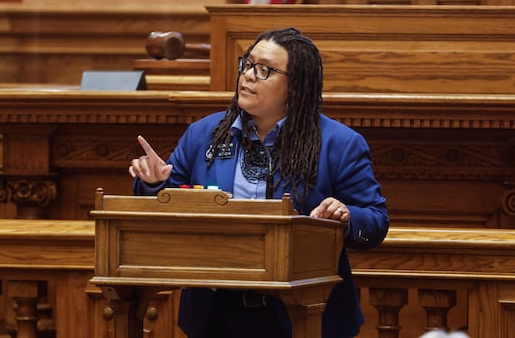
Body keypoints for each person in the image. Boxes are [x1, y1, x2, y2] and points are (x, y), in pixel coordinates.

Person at [129, 27, 389, 338]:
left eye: (264, 70)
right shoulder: (204, 134)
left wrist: (345, 216)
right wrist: (155, 184)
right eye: (247, 64)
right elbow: (168, 210)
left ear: (295, 87)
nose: (248, 76)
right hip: (216, 315)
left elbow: (375, 220)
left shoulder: (340, 144)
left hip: (305, 315)